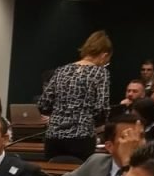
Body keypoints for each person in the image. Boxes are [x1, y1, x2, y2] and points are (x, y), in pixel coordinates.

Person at [21, 114, 143, 176]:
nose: (136, 142)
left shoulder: (149, 172)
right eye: (128, 137)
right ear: (109, 146)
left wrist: (127, 163)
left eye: (141, 136)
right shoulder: (95, 163)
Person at [38, 30, 111, 161]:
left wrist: (58, 117)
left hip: (54, 137)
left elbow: (43, 104)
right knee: (81, 173)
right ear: (104, 55)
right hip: (82, 137)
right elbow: (101, 108)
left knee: (52, 172)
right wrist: (93, 122)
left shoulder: (61, 70)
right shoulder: (100, 73)